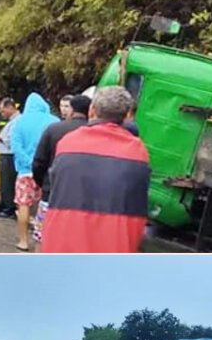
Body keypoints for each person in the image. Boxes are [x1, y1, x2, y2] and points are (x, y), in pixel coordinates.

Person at [41, 86, 150, 253]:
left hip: (63, 242)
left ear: (92, 110)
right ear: (128, 116)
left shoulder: (69, 143)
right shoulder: (137, 152)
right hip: (113, 245)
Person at [31, 94, 92, 244]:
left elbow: (39, 162)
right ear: (90, 110)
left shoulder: (54, 129)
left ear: (71, 109)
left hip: (51, 192)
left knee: (42, 237)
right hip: (82, 198)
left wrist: (41, 183)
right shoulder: (95, 133)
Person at [9, 93, 58, 251]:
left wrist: (27, 163)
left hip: (25, 172)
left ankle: (23, 241)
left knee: (23, 205)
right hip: (47, 172)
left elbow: (15, 145)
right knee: (42, 207)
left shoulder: (20, 121)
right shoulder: (54, 122)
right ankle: (41, 240)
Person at [0, 98, 19, 219]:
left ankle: (8, 208)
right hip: (5, 153)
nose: (2, 114)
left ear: (10, 108)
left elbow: (12, 139)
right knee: (4, 182)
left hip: (9, 154)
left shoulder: (17, 121)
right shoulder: (12, 121)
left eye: (3, 111)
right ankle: (3, 205)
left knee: (8, 183)